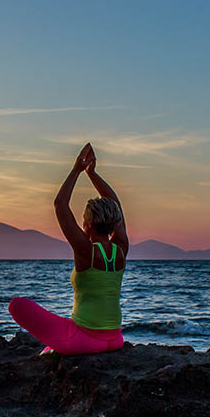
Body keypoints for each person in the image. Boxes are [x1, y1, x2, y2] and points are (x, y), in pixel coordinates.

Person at [8, 143, 129, 355]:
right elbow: (115, 204)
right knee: (59, 336)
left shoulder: (87, 251)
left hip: (86, 339)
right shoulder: (120, 250)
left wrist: (76, 170)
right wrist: (92, 174)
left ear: (88, 223)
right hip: (115, 338)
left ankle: (61, 345)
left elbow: (60, 205)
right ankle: (58, 346)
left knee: (17, 305)